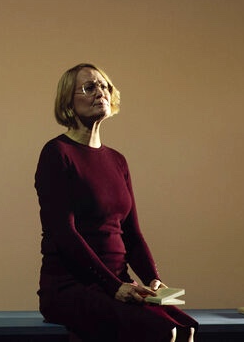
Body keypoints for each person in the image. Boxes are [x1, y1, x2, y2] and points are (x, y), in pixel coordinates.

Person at [34, 63, 196, 342]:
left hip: (117, 283)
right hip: (70, 287)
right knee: (163, 332)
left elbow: (131, 233)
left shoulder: (117, 160)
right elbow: (63, 233)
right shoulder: (57, 153)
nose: (101, 92)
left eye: (104, 86)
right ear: (68, 102)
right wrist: (113, 286)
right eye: (89, 88)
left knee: (186, 328)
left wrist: (153, 279)